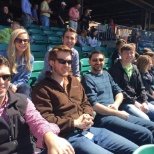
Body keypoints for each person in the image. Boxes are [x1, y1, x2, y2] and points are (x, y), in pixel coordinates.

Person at [32, 45, 139, 154]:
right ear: (51, 63)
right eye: (62, 61)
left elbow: (86, 103)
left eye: (69, 62)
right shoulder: (41, 89)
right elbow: (46, 119)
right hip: (68, 137)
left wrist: (88, 116)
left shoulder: (74, 81)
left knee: (134, 150)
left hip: (90, 130)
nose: (67, 65)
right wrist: (74, 123)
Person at [0, 55, 74, 154]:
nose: (2, 82)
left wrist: (50, 137)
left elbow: (36, 121)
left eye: (6, 77)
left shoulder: (22, 101)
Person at [81, 50, 154, 146]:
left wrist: (115, 105)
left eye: (100, 60)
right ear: (90, 62)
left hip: (116, 113)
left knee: (152, 126)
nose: (98, 62)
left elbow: (119, 92)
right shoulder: (87, 78)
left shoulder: (107, 74)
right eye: (95, 60)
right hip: (103, 118)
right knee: (145, 134)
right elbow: (94, 105)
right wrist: (117, 113)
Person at [109, 44, 154, 121]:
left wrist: (144, 101)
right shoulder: (114, 70)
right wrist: (134, 103)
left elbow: (141, 87)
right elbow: (118, 90)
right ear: (121, 54)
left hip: (138, 100)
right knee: (145, 119)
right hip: (125, 102)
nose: (129, 55)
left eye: (131, 53)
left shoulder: (135, 68)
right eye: (126, 53)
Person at [0, 28, 33, 98]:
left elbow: (25, 78)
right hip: (3, 85)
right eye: (19, 40)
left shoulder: (30, 58)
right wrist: (10, 85)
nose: (23, 43)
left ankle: (26, 108)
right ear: (13, 41)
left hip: (18, 87)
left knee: (26, 87)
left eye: (25, 41)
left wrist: (15, 85)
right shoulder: (3, 56)